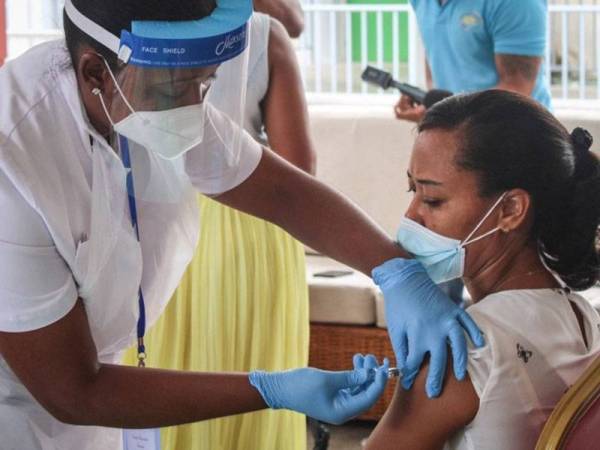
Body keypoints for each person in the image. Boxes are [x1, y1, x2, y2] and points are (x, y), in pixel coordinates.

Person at [0, 1, 484, 448]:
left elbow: (284, 191)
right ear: (94, 73)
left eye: (205, 84)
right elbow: (75, 391)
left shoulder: (146, 95)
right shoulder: (13, 163)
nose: (193, 106)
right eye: (177, 88)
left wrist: (394, 268)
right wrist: (269, 389)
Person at [122, 11, 315, 450]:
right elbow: (299, 168)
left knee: (158, 383)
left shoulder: (128, 22)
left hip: (156, 219)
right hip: (253, 230)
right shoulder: (265, 34)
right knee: (254, 383)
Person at [366, 90, 600, 450]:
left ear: (510, 210)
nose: (411, 215)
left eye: (432, 199)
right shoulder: (582, 315)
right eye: (411, 189)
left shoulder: (463, 350)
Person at [395, 0, 552, 123]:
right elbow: (436, 51)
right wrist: (432, 109)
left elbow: (518, 87)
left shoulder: (518, 3)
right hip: (457, 130)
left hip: (518, 131)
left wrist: (450, 122)